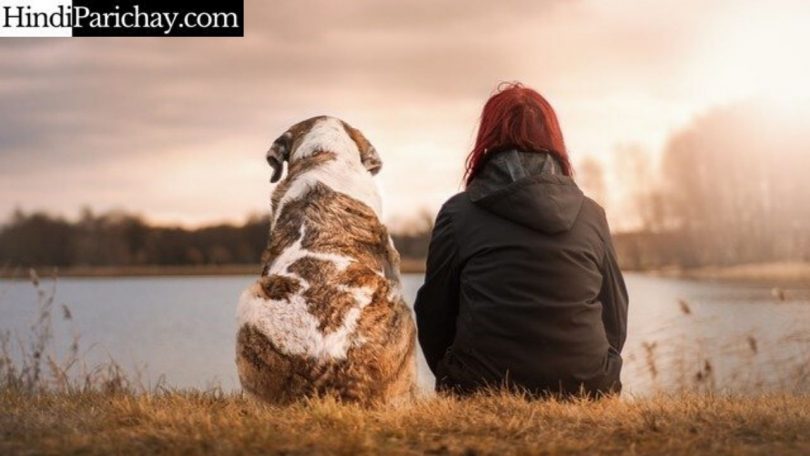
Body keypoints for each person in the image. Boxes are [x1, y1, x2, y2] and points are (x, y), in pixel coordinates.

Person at [414, 82, 628, 397]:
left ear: (487, 138)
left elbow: (434, 314)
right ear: (553, 138)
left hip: (479, 386)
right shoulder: (592, 214)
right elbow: (616, 314)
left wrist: (453, 375)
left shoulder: (458, 214)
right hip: (588, 386)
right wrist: (597, 371)